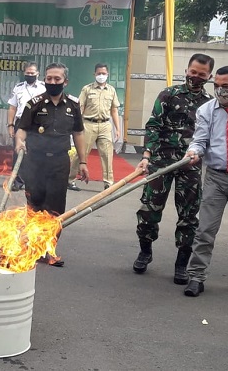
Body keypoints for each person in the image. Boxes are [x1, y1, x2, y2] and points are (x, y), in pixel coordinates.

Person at [132, 53, 214, 285]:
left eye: (201, 74)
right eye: (192, 72)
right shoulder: (169, 94)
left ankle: (181, 265)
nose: (195, 77)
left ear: (209, 76)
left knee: (188, 216)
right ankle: (145, 251)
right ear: (186, 70)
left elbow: (211, 136)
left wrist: (202, 155)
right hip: (161, 163)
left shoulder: (209, 104)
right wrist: (147, 155)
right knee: (148, 211)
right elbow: (153, 125)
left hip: (190, 167)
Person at [183, 66, 228, 297]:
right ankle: (196, 277)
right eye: (216, 86)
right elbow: (200, 139)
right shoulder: (206, 110)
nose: (220, 91)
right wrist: (193, 152)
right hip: (216, 177)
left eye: (225, 87)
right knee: (205, 230)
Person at [15, 62, 89, 266]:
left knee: (55, 209)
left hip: (59, 162)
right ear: (44, 79)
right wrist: (19, 142)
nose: (53, 82)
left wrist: (83, 161)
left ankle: (48, 250)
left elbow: (79, 133)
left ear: (65, 81)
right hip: (35, 162)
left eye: (57, 79)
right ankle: (32, 248)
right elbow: (22, 129)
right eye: (49, 79)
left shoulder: (73, 106)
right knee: (35, 206)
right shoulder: (34, 103)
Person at [68, 63, 120, 191]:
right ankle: (70, 179)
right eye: (99, 73)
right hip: (88, 124)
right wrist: (76, 125)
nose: (101, 76)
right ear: (94, 74)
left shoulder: (111, 90)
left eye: (104, 73)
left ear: (107, 75)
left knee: (107, 154)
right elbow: (80, 108)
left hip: (105, 125)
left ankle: (108, 183)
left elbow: (114, 110)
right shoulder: (87, 89)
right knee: (81, 153)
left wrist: (117, 128)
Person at [7, 62, 46, 191]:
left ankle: (34, 181)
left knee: (36, 152)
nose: (30, 75)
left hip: (38, 123)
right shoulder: (18, 88)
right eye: (28, 73)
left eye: (32, 73)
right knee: (18, 152)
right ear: (24, 73)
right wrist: (10, 125)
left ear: (37, 74)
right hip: (20, 122)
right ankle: (17, 181)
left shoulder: (44, 87)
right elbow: (12, 108)